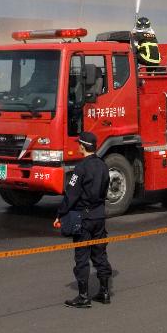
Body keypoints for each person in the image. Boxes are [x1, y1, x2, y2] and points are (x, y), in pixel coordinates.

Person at [55, 131, 112, 308]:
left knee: (82, 257)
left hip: (84, 218)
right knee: (100, 253)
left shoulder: (80, 168)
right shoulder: (103, 166)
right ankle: (104, 292)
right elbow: (104, 191)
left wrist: (60, 214)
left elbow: (71, 195)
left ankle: (83, 296)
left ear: (82, 146)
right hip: (99, 216)